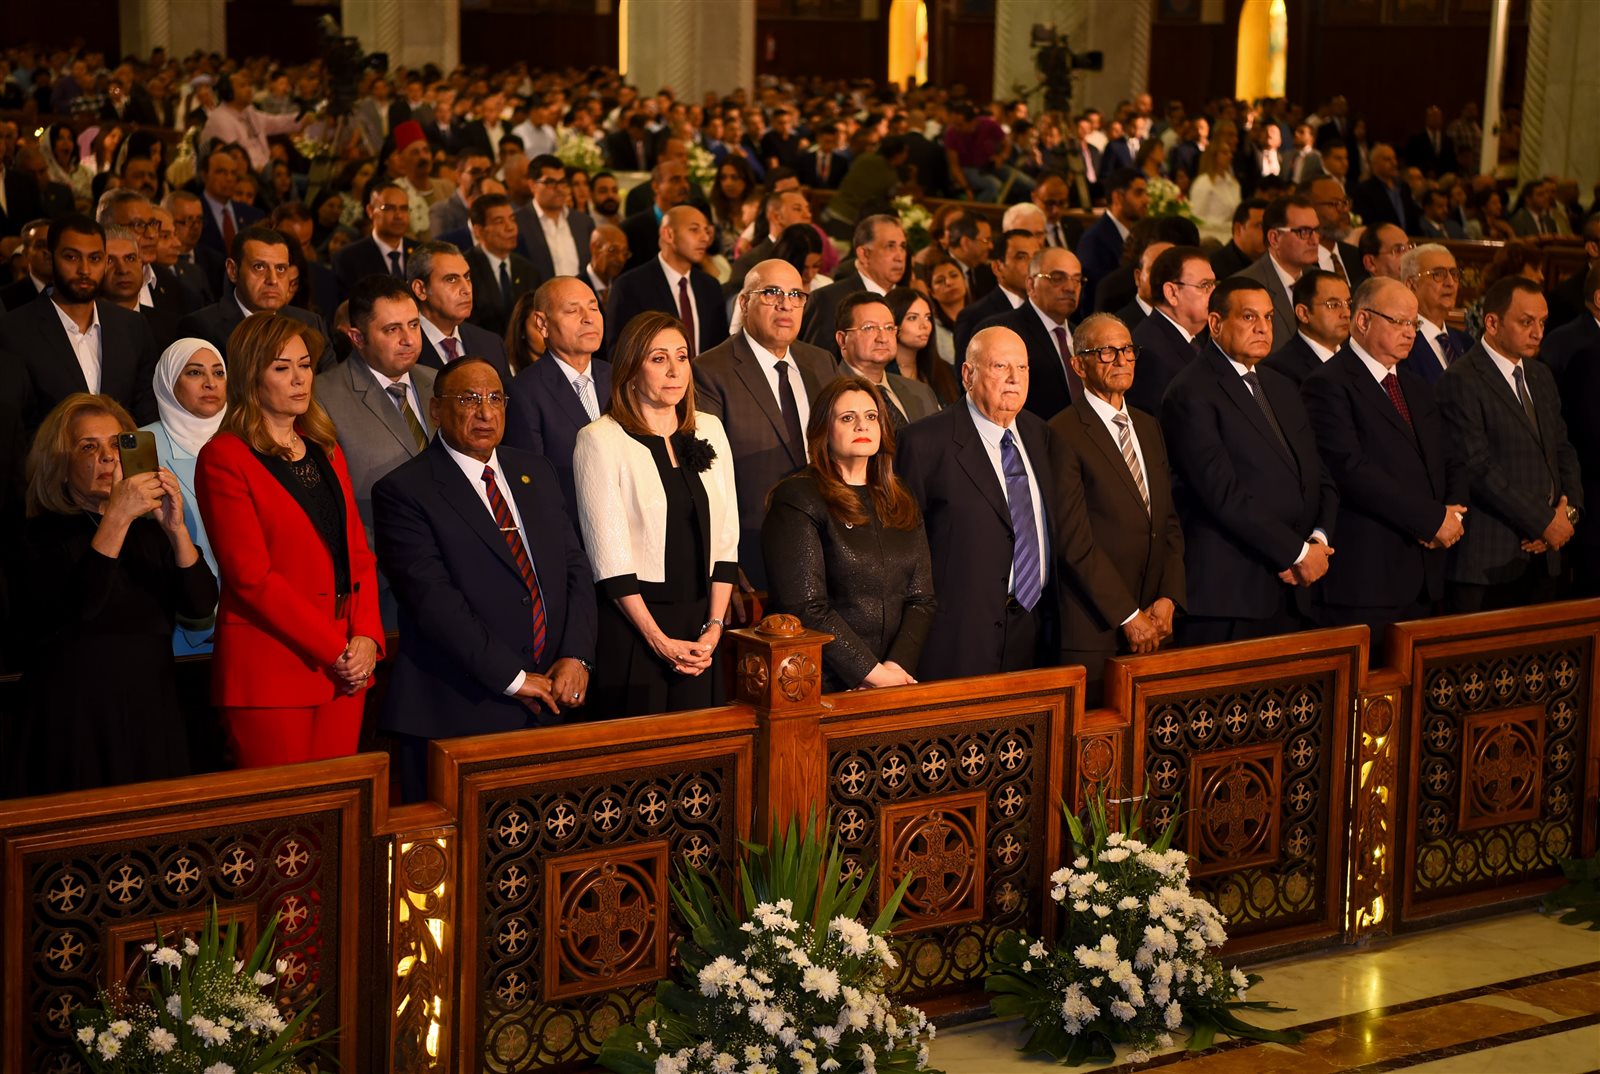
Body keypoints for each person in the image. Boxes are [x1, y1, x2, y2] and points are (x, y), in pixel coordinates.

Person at [373, 356, 597, 800]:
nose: (485, 412)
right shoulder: (405, 491)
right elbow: (434, 603)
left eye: (495, 398)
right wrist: (513, 677)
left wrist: (576, 656)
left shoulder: (536, 471)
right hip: (460, 710)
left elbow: (574, 568)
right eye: (468, 399)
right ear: (436, 409)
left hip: (551, 699)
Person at [195, 313, 383, 767]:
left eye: (305, 365)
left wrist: (366, 636)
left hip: (346, 667)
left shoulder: (323, 447)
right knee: (288, 811)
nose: (300, 379)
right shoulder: (224, 456)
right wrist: (335, 648)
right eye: (282, 368)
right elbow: (250, 577)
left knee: (341, 802)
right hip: (272, 667)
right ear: (251, 376)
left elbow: (357, 552)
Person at [15, 393, 216, 793]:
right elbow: (81, 608)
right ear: (60, 465)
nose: (108, 457)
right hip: (74, 723)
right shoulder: (37, 535)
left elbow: (200, 606)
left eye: (116, 444)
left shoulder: (150, 534)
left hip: (151, 716)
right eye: (88, 447)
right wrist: (119, 517)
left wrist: (176, 530)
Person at [572, 311, 738, 717]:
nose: (675, 371)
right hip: (634, 628)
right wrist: (658, 640)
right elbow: (609, 562)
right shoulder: (599, 440)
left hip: (702, 626)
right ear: (631, 369)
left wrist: (714, 628)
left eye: (681, 357)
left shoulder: (710, 429)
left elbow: (726, 539)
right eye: (658, 358)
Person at [1161, 277, 1338, 645]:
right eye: (1248, 316)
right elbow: (1223, 495)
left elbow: (1317, 475)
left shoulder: (1281, 386)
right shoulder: (1190, 391)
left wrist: (1317, 540)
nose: (1263, 328)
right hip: (1230, 595)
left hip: (1294, 589)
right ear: (1215, 323)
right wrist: (1296, 553)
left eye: (1269, 317)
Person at [1301, 277, 1466, 653]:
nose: (1410, 333)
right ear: (1362, 320)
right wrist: (1430, 519)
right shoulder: (1327, 384)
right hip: (1368, 580)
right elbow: (1351, 471)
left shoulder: (1417, 386)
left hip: (1426, 572)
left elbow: (1450, 456)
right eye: (1399, 322)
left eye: (1414, 324)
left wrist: (1453, 513)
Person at [897, 326, 1058, 680]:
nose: (1015, 378)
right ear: (968, 374)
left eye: (1022, 367)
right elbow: (902, 555)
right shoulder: (923, 443)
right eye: (1000, 366)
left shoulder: (1041, 434)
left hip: (1033, 631)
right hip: (956, 640)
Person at [762, 376, 935, 692]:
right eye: (847, 418)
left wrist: (895, 669)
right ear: (824, 430)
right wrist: (873, 675)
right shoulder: (798, 497)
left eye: (871, 416)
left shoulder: (900, 497)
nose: (862, 426)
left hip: (896, 678)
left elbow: (922, 599)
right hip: (819, 681)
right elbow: (806, 607)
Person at [1047, 314, 1185, 702]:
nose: (1121, 359)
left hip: (1156, 623)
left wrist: (1169, 597)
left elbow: (1167, 522)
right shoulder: (1061, 432)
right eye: (1106, 351)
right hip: (1095, 631)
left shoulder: (1148, 426)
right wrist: (1128, 615)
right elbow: (1074, 542)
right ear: (1079, 365)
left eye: (1127, 349)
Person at [1437, 277, 1582, 612]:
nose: (1538, 333)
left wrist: (1569, 512)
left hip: (1545, 555)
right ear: (1492, 323)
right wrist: (1543, 521)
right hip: (1490, 559)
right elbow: (1478, 467)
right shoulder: (1461, 379)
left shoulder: (1540, 375)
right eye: (1526, 322)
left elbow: (1563, 449)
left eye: (1542, 322)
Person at [694, 260, 838, 590]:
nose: (786, 304)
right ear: (744, 303)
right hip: (753, 550)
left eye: (796, 295)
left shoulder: (821, 362)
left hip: (828, 545)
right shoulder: (710, 371)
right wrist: (723, 559)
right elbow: (705, 478)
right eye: (772, 292)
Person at [0, 215, 160, 437]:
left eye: (95, 258)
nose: (84, 269)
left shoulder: (133, 326)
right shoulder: (12, 332)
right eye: (72, 257)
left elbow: (146, 417)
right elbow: (13, 430)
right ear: (50, 258)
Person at [141, 338, 228, 654]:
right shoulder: (143, 445)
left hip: (250, 620)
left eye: (218, 373)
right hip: (174, 624)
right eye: (194, 372)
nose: (210, 383)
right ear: (168, 382)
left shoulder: (249, 438)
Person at [504, 277, 611, 514]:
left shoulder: (619, 378)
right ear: (542, 324)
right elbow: (532, 487)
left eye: (594, 308)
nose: (588, 318)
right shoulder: (523, 391)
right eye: (573, 310)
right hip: (571, 524)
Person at [176, 225, 333, 368]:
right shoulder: (202, 329)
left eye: (280, 269)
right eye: (259, 267)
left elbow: (329, 385)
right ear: (232, 271)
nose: (272, 280)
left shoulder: (310, 324)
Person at [970, 246, 1084, 421]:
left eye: (1077, 280)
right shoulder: (1002, 332)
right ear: (1031, 285)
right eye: (1057, 278)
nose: (1070, 287)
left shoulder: (1082, 336)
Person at [606, 205, 727, 357]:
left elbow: (721, 347)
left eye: (707, 231)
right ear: (668, 234)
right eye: (694, 229)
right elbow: (619, 352)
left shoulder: (710, 286)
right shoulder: (629, 286)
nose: (705, 238)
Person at [802, 214, 908, 355]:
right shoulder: (828, 299)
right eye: (890, 246)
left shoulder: (909, 301)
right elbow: (815, 360)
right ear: (864, 254)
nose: (899, 256)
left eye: (903, 247)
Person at [408, 240, 513, 381]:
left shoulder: (491, 344)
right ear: (421, 289)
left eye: (467, 277)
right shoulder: (403, 349)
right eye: (451, 279)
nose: (467, 289)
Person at [1128, 245, 1212, 416]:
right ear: (1172, 293)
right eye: (1205, 285)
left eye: (1213, 284)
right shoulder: (1150, 353)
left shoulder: (1194, 337)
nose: (1214, 293)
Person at [835, 292, 939, 430]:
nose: (883, 338)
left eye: (889, 328)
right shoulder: (828, 393)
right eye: (869, 328)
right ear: (842, 339)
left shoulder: (920, 392)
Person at [1235, 195, 1322, 352]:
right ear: (1274, 238)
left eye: (1316, 230)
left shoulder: (1320, 280)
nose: (1315, 240)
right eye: (1304, 232)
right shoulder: (1244, 287)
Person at [953, 228, 1043, 361]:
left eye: (1036, 257)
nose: (1032, 265)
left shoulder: (1047, 308)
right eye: (1021, 257)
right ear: (997, 267)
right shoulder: (974, 316)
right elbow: (966, 370)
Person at [1075, 169, 1149, 314]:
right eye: (1139, 193)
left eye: (1146, 193)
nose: (1146, 200)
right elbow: (1095, 295)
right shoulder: (1094, 239)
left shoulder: (1137, 234)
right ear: (1118, 197)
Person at [1263, 270, 1351, 385]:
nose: (1346, 313)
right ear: (1303, 313)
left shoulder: (1354, 356)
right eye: (1333, 305)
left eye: (1348, 304)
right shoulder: (1280, 370)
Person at [332, 180, 418, 297]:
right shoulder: (348, 258)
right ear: (370, 211)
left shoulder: (420, 252)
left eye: (404, 208)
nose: (398, 215)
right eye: (389, 208)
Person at [1403, 244, 1473, 384]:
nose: (1450, 283)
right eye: (1438, 274)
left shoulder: (1467, 342)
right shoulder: (1402, 342)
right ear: (1412, 284)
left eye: (1454, 274)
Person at [519, 154, 594, 282]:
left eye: (562, 182)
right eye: (550, 182)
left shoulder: (583, 222)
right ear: (532, 185)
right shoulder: (518, 223)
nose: (559, 189)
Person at [886, 287, 960, 408]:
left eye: (928, 317)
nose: (924, 325)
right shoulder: (882, 374)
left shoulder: (946, 371)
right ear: (892, 324)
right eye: (912, 318)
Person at [913, 251, 969, 367]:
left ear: (964, 280)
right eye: (939, 281)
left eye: (954, 275)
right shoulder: (931, 328)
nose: (948, 282)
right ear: (931, 292)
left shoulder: (982, 316)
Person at [1351, 144, 1420, 234]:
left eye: (1394, 158)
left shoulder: (1404, 187)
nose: (1394, 163)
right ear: (1374, 164)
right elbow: (1368, 223)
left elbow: (1413, 219)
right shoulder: (1364, 190)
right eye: (1387, 159)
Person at [1209, 198, 1267, 280]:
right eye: (1260, 226)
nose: (1267, 232)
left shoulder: (1275, 263)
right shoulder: (1214, 268)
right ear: (1238, 229)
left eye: (1270, 226)